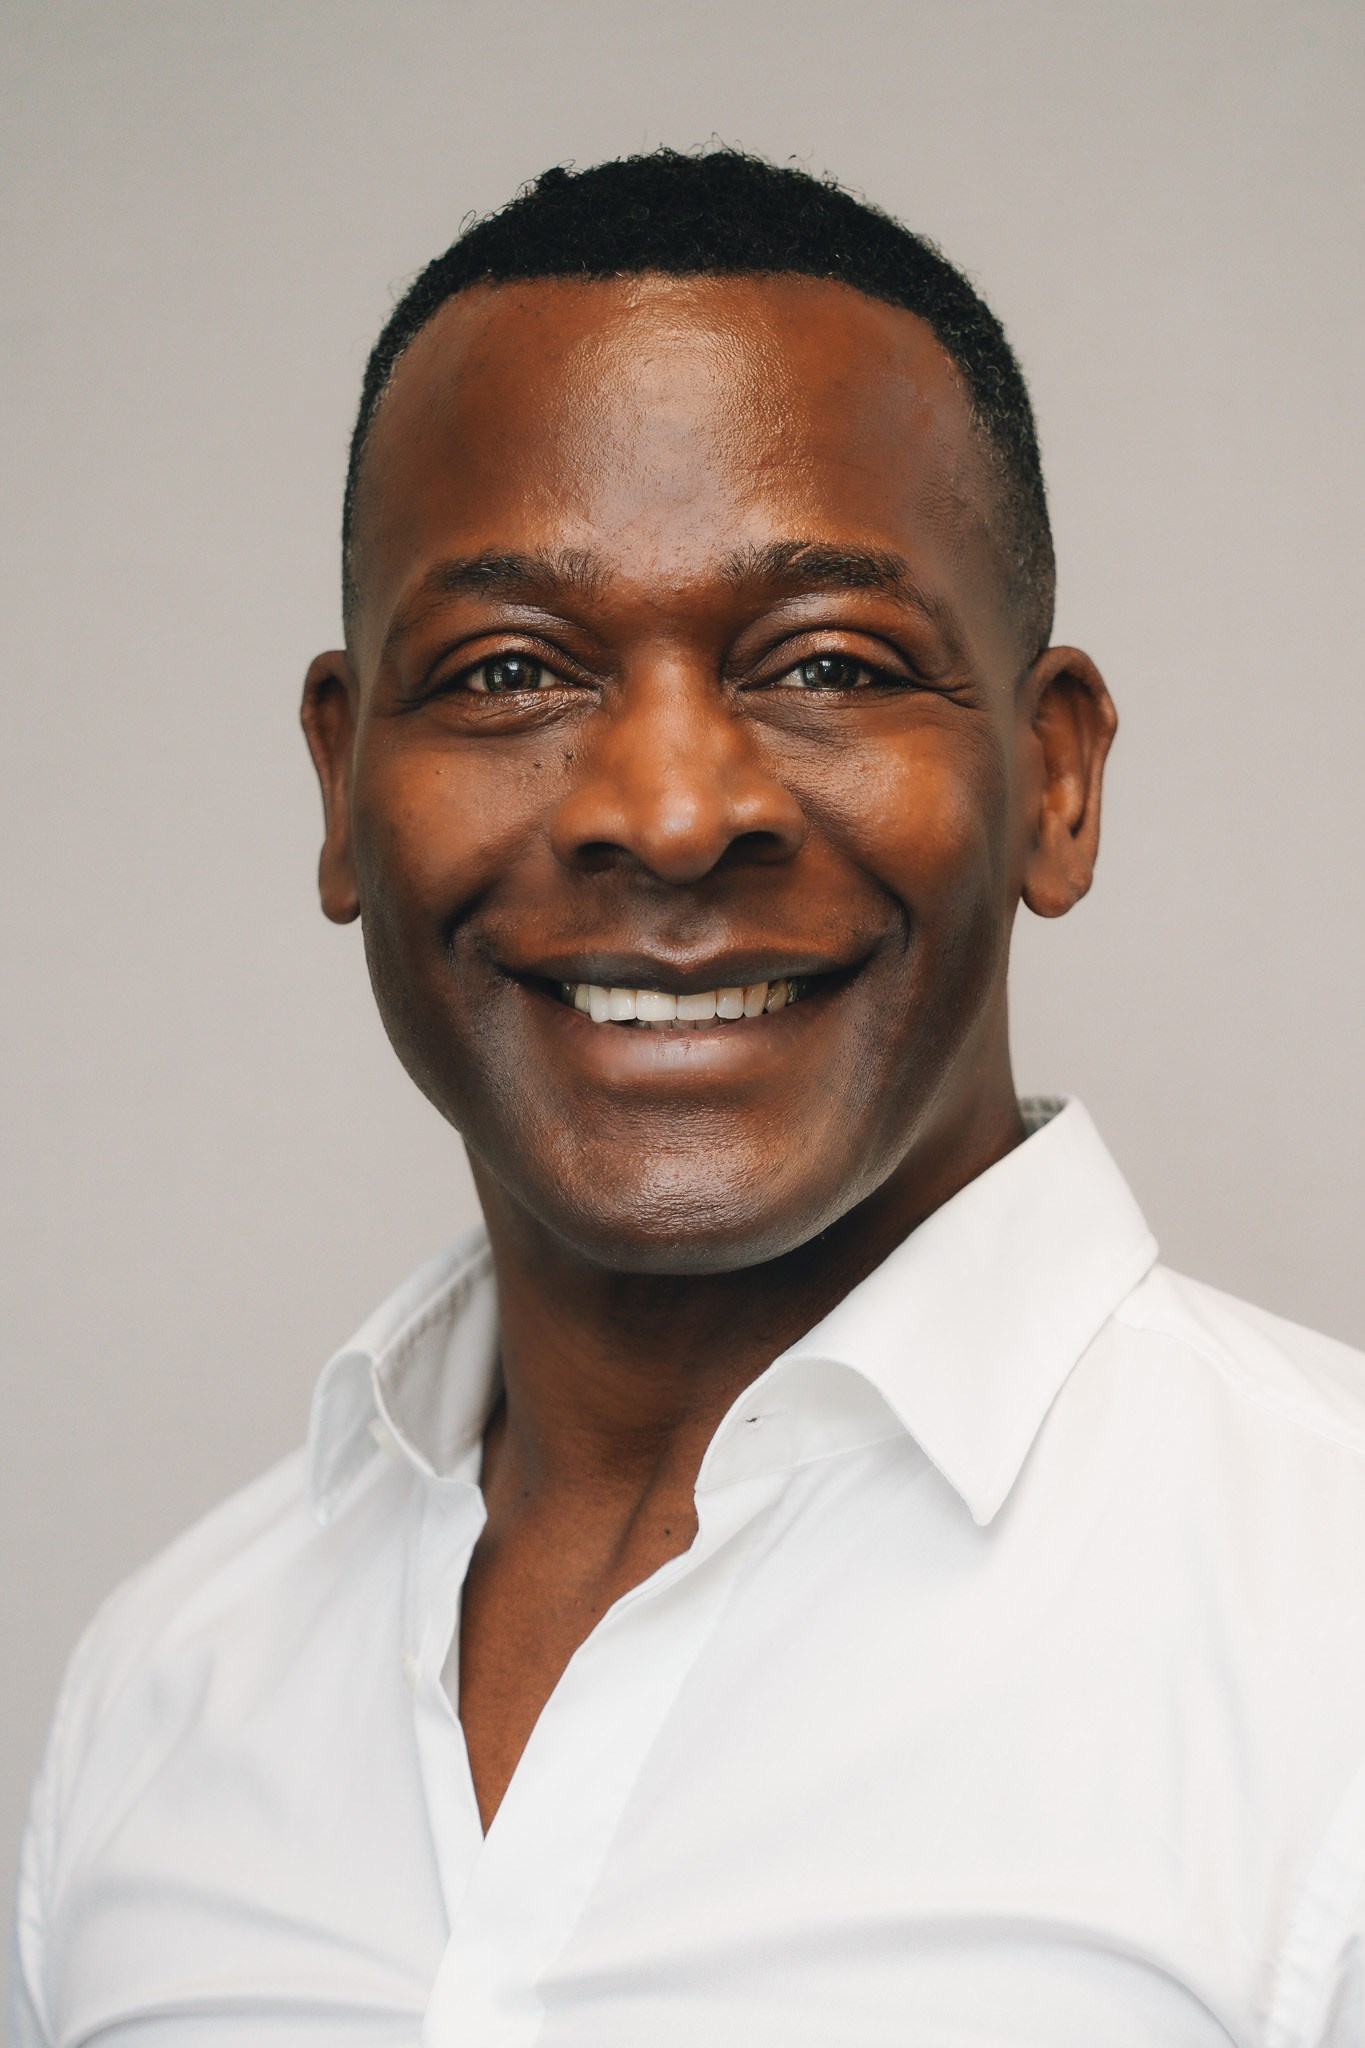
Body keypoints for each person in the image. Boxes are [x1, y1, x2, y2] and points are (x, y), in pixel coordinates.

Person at [12, 147, 1365, 2048]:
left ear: (1055, 781)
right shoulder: (167, 1681)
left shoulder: (1331, 1636)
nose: (665, 812)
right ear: (340, 789)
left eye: (825, 662)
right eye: (505, 671)